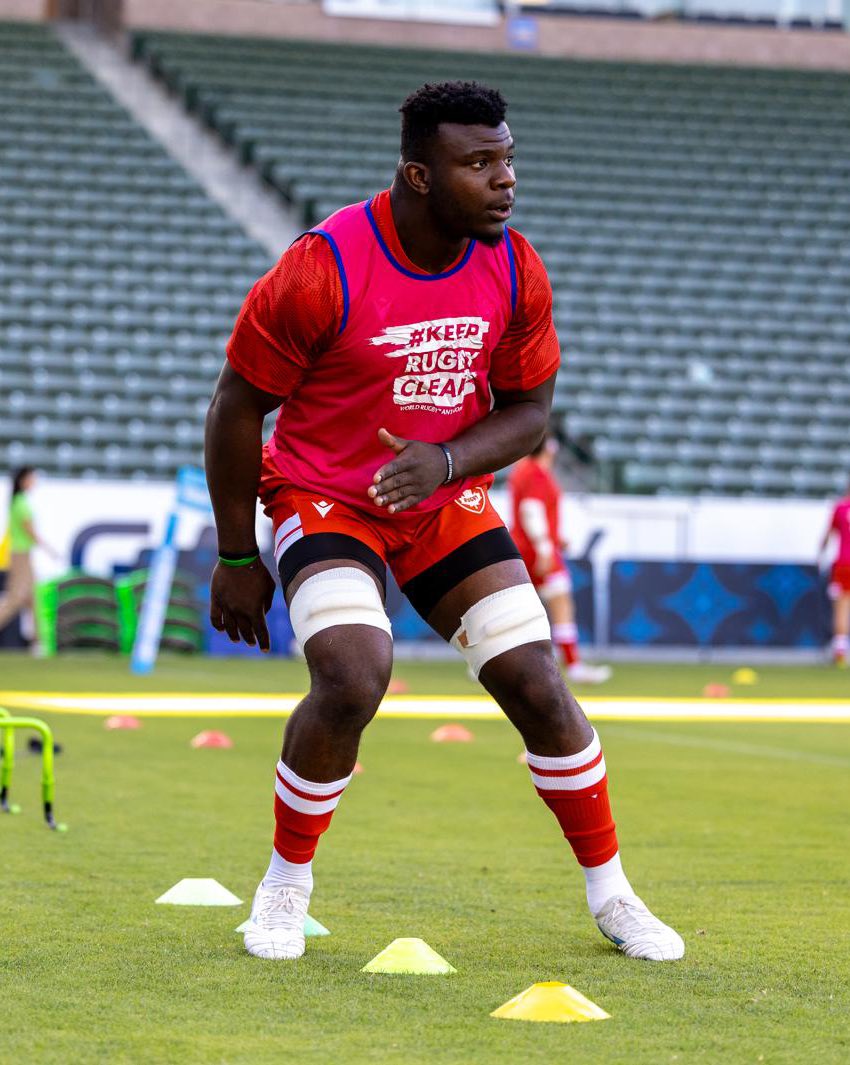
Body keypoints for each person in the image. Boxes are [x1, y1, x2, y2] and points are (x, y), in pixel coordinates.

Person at [205, 82, 683, 964]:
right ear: (418, 176)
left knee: (538, 682)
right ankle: (284, 883)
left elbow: (531, 411)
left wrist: (449, 460)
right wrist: (238, 553)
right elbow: (236, 407)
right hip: (325, 495)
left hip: (441, 499)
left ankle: (615, 895)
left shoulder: (512, 264)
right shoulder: (325, 265)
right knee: (354, 674)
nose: (506, 180)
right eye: (481, 164)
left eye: (508, 158)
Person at [509, 434, 611, 684]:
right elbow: (531, 511)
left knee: (513, 609)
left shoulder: (521, 471)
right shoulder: (536, 473)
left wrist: (555, 537)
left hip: (522, 547)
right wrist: (545, 546)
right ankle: (574, 665)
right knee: (562, 605)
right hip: (538, 551)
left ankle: (488, 662)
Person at [0, 468, 48, 641]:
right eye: (31, 478)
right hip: (20, 554)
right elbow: (29, 530)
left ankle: (39, 641)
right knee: (15, 599)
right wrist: (49, 549)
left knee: (33, 598)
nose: (34, 481)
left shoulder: (18, 501)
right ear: (23, 480)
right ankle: (39, 641)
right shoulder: (20, 502)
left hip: (23, 553)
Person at [819, 482, 850, 666]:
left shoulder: (840, 508)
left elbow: (828, 535)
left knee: (842, 608)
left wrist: (820, 555)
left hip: (843, 564)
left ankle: (840, 651)